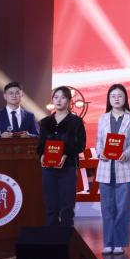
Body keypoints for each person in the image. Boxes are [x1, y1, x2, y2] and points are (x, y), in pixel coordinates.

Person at [94, 84, 130, 255]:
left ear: (125, 98)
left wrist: (126, 153)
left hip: (125, 168)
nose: (116, 99)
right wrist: (100, 152)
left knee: (122, 209)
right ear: (109, 99)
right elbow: (99, 141)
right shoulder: (103, 118)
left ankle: (119, 242)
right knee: (107, 209)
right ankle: (108, 242)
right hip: (106, 168)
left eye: (120, 96)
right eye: (113, 96)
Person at [37, 86, 86, 227]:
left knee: (67, 206)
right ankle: (51, 236)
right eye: (56, 97)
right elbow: (41, 144)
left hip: (68, 168)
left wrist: (66, 154)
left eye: (63, 97)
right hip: (48, 169)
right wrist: (41, 155)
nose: (59, 100)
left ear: (69, 101)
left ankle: (66, 235)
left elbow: (81, 145)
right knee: (50, 205)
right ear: (52, 100)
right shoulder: (45, 122)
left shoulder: (76, 122)